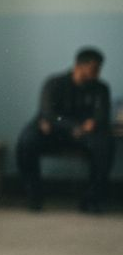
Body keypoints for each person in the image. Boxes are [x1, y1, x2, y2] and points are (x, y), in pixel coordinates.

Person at [15, 47, 114, 213]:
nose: (98, 73)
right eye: (94, 68)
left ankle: (91, 200)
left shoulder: (101, 88)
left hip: (82, 135)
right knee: (27, 140)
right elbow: (48, 114)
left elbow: (101, 117)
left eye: (99, 69)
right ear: (79, 65)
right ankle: (34, 195)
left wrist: (87, 126)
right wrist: (76, 126)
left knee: (105, 144)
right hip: (52, 131)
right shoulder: (54, 83)